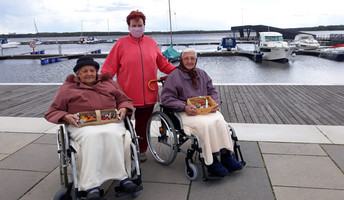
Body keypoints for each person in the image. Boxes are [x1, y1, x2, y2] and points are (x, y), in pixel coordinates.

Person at [45, 56, 139, 200]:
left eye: (92, 70)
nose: (89, 73)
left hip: (110, 122)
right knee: (92, 137)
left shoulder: (108, 83)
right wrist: (65, 116)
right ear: (78, 74)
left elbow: (124, 100)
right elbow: (53, 111)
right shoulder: (68, 88)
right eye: (84, 71)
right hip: (82, 125)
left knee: (114, 135)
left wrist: (124, 108)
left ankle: (122, 177)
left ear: (96, 72)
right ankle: (91, 186)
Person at [101, 10, 176, 162]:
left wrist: (180, 72)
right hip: (126, 95)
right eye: (134, 25)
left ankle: (141, 150)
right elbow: (109, 67)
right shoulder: (120, 44)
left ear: (144, 26)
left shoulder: (151, 43)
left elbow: (163, 64)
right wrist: (101, 81)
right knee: (123, 125)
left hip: (149, 92)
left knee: (142, 125)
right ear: (128, 26)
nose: (137, 28)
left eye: (140, 25)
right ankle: (125, 148)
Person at [161, 47, 243, 176]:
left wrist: (215, 103)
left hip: (205, 110)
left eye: (192, 58)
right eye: (186, 58)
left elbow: (212, 91)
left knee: (220, 121)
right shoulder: (174, 76)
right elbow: (166, 99)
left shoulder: (202, 73)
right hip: (186, 112)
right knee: (205, 125)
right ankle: (211, 161)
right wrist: (184, 106)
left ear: (196, 60)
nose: (189, 61)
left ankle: (226, 155)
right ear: (181, 60)